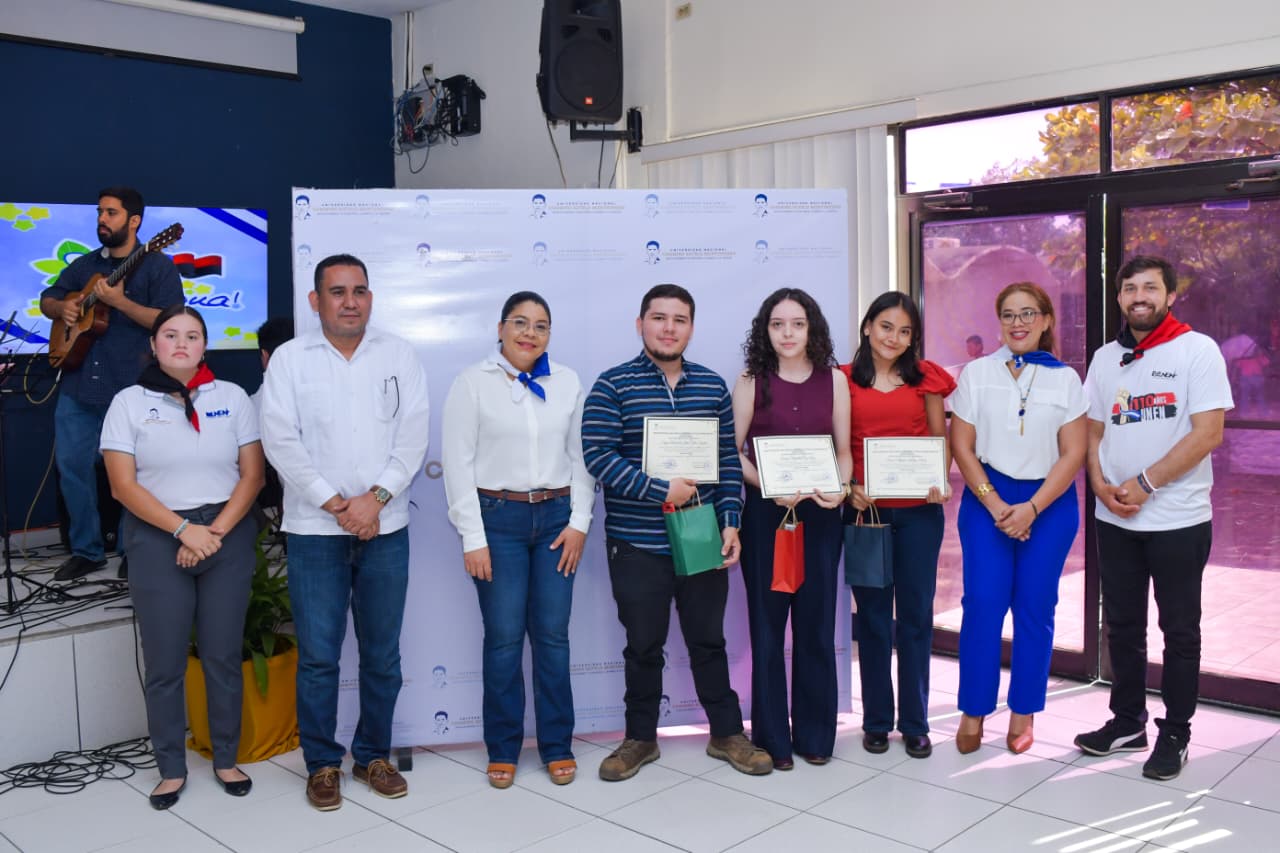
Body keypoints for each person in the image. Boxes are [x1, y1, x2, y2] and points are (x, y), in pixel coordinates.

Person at [582, 283, 772, 781]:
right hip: (636, 542)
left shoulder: (711, 386)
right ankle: (640, 739)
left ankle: (726, 733)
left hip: (702, 537)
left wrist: (730, 521)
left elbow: (727, 461)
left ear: (691, 327)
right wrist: (658, 488)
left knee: (708, 641)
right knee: (643, 646)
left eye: (679, 319)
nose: (669, 328)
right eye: (659, 318)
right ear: (640, 324)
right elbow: (598, 455)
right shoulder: (612, 385)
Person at [260, 254, 430, 811]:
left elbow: (413, 437)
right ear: (316, 301)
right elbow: (281, 441)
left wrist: (374, 500)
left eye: (359, 290)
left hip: (386, 528)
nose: (350, 301)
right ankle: (322, 764)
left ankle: (372, 755)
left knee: (382, 656)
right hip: (315, 531)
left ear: (370, 298)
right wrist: (338, 505)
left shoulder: (399, 355)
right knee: (319, 658)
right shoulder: (290, 360)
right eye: (337, 291)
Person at [100, 305, 264, 809]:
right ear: (153, 345)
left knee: (222, 654)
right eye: (170, 335)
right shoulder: (128, 402)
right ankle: (171, 768)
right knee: (165, 660)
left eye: (192, 336)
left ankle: (226, 759)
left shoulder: (231, 397)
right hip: (157, 533)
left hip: (224, 531)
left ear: (204, 345)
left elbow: (253, 476)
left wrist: (212, 533)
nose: (181, 344)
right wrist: (182, 531)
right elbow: (122, 486)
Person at [1075, 256, 1232, 781]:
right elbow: (1094, 430)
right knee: (1122, 625)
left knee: (1179, 630)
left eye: (1150, 287)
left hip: (1178, 519)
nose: (1138, 296)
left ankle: (1176, 732)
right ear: (1119, 297)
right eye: (1129, 288)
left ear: (1170, 296)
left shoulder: (1197, 350)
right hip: (1114, 517)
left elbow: (1208, 433)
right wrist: (1099, 483)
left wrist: (1144, 484)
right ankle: (1127, 722)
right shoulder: (1106, 358)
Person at [442, 291, 594, 789]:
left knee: (552, 636)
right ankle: (503, 747)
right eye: (520, 322)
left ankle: (557, 745)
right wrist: (473, 537)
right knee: (504, 638)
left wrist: (579, 522)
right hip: (498, 521)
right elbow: (457, 466)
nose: (530, 333)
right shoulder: (472, 383)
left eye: (541, 325)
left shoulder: (567, 381)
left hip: (556, 521)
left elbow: (581, 458)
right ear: (501, 328)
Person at [949, 283, 1086, 755]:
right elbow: (961, 445)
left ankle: (1024, 710)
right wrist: (994, 504)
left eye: (1028, 313)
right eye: (1008, 314)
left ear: (1046, 320)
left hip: (1048, 504)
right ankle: (973, 709)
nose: (1018, 323)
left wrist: (1032, 508)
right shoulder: (977, 373)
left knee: (1034, 606)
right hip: (987, 497)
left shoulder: (1066, 380)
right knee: (983, 604)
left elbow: (1073, 453)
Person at [732, 288, 851, 770]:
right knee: (767, 628)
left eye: (797, 324)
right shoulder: (750, 381)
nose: (787, 333)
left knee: (817, 626)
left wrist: (840, 489)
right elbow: (733, 451)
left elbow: (843, 451)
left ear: (811, 328)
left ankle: (816, 735)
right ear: (765, 330)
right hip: (767, 516)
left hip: (820, 516)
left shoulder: (835, 381)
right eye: (777, 324)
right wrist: (767, 485)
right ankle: (773, 740)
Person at [41, 186, 184, 581]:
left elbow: (171, 322)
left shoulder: (157, 266)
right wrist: (64, 307)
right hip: (78, 385)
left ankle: (131, 550)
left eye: (111, 213)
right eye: (100, 212)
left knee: (135, 474)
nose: (102, 219)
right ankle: (86, 550)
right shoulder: (84, 266)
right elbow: (48, 299)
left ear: (134, 221)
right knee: (72, 468)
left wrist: (121, 303)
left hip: (130, 388)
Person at [842, 292, 955, 759]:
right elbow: (836, 443)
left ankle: (915, 722)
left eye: (905, 331)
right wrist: (848, 486)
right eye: (886, 326)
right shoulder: (842, 380)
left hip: (918, 514)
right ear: (868, 326)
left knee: (915, 618)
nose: (894, 338)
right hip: (865, 513)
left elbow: (939, 441)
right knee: (871, 619)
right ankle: (875, 721)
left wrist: (939, 481)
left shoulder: (926, 378)